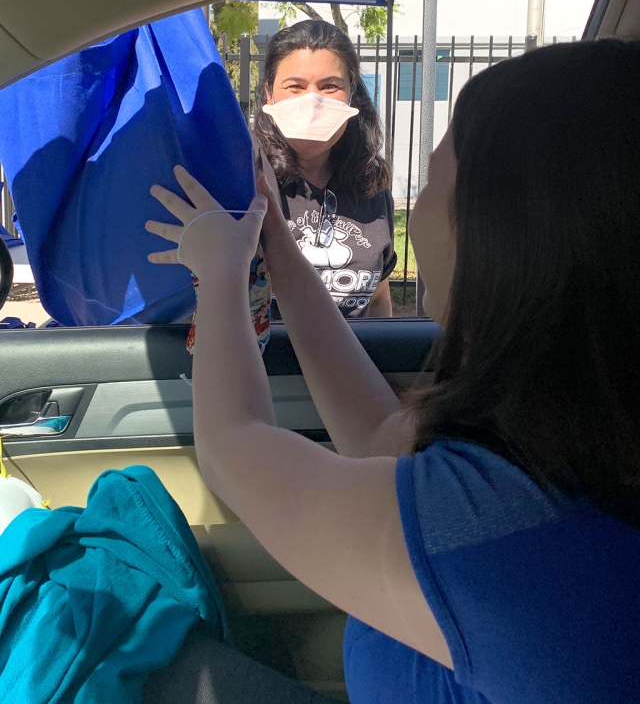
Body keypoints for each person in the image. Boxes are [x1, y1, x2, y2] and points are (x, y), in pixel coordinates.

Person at [145, 38, 640, 703]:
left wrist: (221, 272)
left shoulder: (496, 526)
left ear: (502, 224)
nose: (417, 202)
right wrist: (279, 259)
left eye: (435, 179)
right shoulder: (573, 433)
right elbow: (379, 430)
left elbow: (234, 447)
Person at [252, 20, 396, 319]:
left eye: (330, 86)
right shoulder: (246, 176)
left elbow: (379, 296)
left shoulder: (371, 186)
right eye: (295, 87)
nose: (312, 101)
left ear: (351, 93)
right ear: (269, 94)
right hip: (267, 364)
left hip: (349, 364)